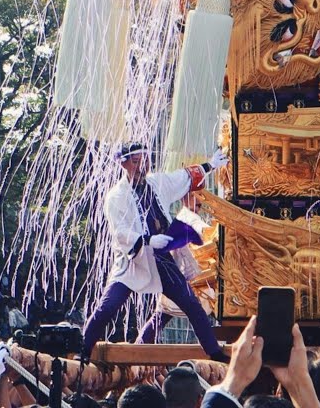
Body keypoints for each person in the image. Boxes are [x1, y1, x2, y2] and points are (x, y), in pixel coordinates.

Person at [81, 143, 229, 362]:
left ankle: (214, 352)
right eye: (136, 161)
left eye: (145, 160)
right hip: (133, 260)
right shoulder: (116, 197)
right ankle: (83, 351)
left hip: (162, 256)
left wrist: (210, 165)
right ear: (123, 164)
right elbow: (120, 233)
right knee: (108, 306)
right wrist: (148, 239)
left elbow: (182, 177)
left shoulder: (156, 182)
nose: (142, 166)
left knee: (190, 303)